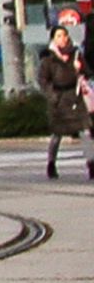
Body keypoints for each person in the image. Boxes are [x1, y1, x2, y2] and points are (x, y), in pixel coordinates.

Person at [38, 25, 91, 179]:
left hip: (75, 97)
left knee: (85, 132)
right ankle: (51, 163)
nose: (63, 39)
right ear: (53, 39)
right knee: (57, 135)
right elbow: (43, 80)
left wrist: (80, 68)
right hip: (58, 99)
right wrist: (52, 96)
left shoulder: (75, 54)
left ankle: (91, 164)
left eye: (65, 35)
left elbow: (87, 73)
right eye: (59, 36)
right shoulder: (49, 58)